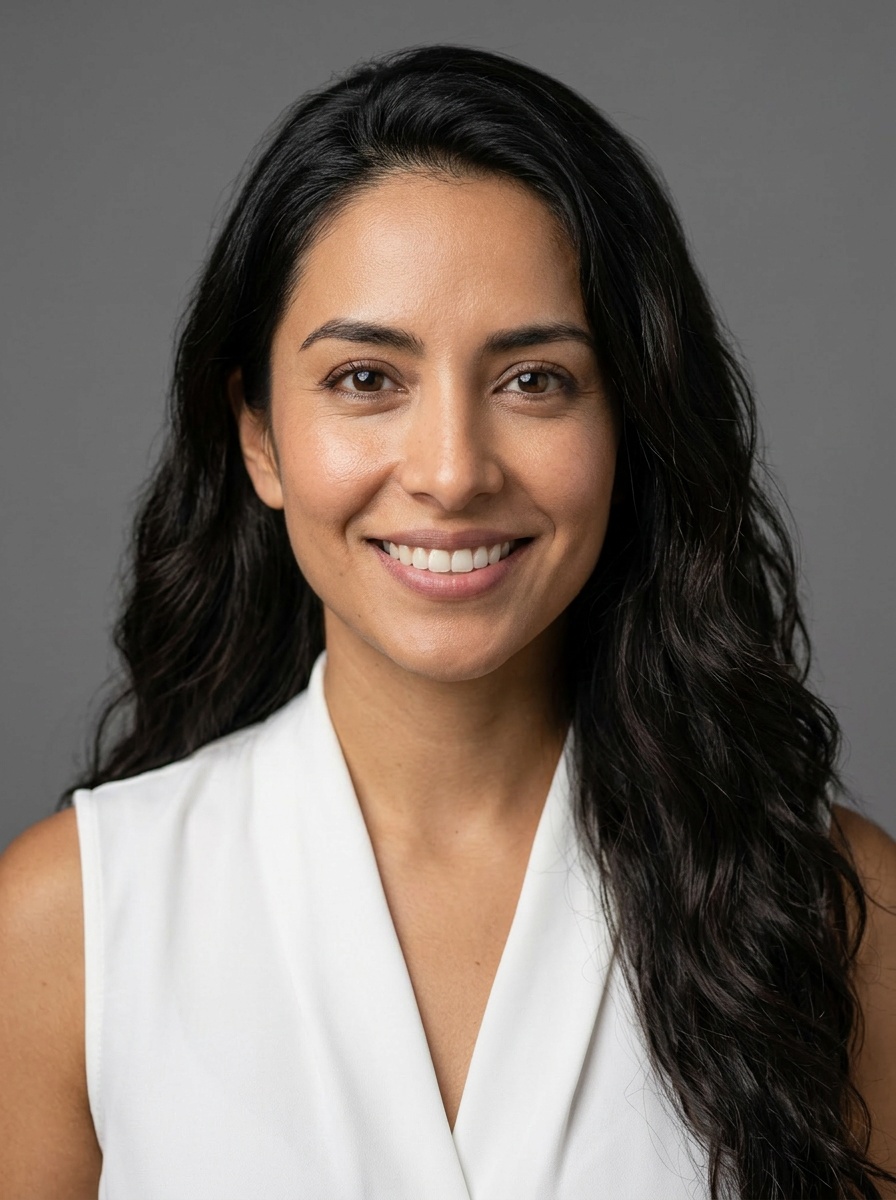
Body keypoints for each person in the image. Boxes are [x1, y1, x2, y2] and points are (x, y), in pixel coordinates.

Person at [0, 42, 893, 1200]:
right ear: (259, 436)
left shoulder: (834, 909)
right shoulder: (69, 922)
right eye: (366, 379)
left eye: (533, 380)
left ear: (630, 423)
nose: (452, 471)